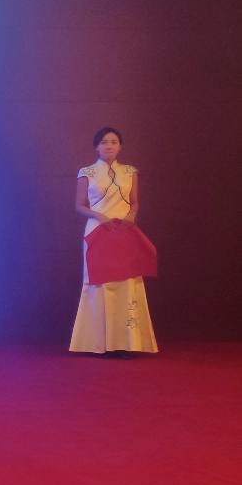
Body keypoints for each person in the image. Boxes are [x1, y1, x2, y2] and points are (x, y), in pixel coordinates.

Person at [70, 127, 157, 355]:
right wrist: (100, 217)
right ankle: (98, 344)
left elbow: (134, 201)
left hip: (123, 230)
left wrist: (131, 215)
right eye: (104, 142)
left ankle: (127, 343)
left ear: (120, 146)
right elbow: (79, 205)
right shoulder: (87, 172)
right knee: (99, 283)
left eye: (114, 142)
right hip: (97, 231)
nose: (109, 146)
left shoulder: (130, 171)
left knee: (127, 282)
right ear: (96, 146)